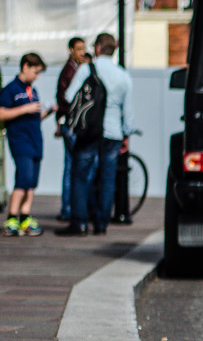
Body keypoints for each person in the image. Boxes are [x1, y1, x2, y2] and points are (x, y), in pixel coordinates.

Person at [56, 33, 137, 236]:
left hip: (90, 130)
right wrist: (126, 134)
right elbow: (127, 112)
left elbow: (68, 95)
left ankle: (79, 222)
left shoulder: (86, 69)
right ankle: (101, 224)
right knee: (108, 178)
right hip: (113, 133)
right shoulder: (123, 75)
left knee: (80, 175)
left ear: (98, 48)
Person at [0, 53, 55, 236]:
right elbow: (2, 113)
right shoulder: (11, 89)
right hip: (20, 141)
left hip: (35, 141)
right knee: (23, 179)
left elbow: (34, 117)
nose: (37, 76)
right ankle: (12, 218)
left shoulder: (33, 90)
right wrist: (25, 108)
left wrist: (48, 112)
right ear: (25, 67)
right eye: (35, 71)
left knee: (31, 182)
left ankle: (25, 216)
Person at [55, 36, 89, 220]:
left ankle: (68, 208)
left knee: (71, 166)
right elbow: (66, 99)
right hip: (71, 124)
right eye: (79, 49)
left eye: (84, 48)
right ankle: (68, 209)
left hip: (68, 123)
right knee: (73, 167)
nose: (82, 52)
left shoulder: (75, 69)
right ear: (71, 50)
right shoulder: (71, 71)